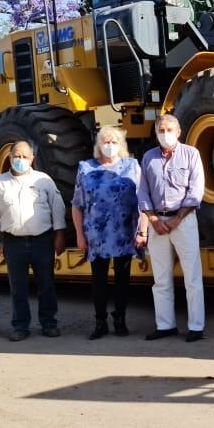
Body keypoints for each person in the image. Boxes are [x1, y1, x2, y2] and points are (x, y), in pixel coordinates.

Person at [0, 141, 67, 342]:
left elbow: (57, 208)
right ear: (10, 157)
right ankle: (20, 326)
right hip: (13, 243)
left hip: (42, 240)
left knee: (46, 283)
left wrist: (60, 235)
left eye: (24, 157)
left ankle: (49, 323)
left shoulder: (44, 180)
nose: (20, 160)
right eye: (16, 156)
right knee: (17, 287)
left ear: (32, 159)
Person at [136, 113, 206, 342]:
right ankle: (165, 325)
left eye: (169, 130)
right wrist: (154, 220)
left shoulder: (191, 155)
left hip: (183, 221)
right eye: (160, 130)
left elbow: (195, 191)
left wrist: (177, 219)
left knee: (192, 277)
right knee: (161, 278)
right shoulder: (148, 158)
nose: (165, 134)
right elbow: (143, 192)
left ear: (178, 132)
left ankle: (196, 327)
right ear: (156, 133)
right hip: (158, 223)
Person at [72, 126, 143, 339]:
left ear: (121, 145)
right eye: (105, 142)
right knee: (99, 280)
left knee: (123, 279)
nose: (110, 146)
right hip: (97, 234)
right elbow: (77, 204)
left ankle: (120, 319)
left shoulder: (132, 166)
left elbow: (143, 200)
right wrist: (79, 234)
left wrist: (142, 230)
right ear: (98, 145)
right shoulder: (86, 167)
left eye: (114, 142)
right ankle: (100, 321)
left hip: (124, 232)